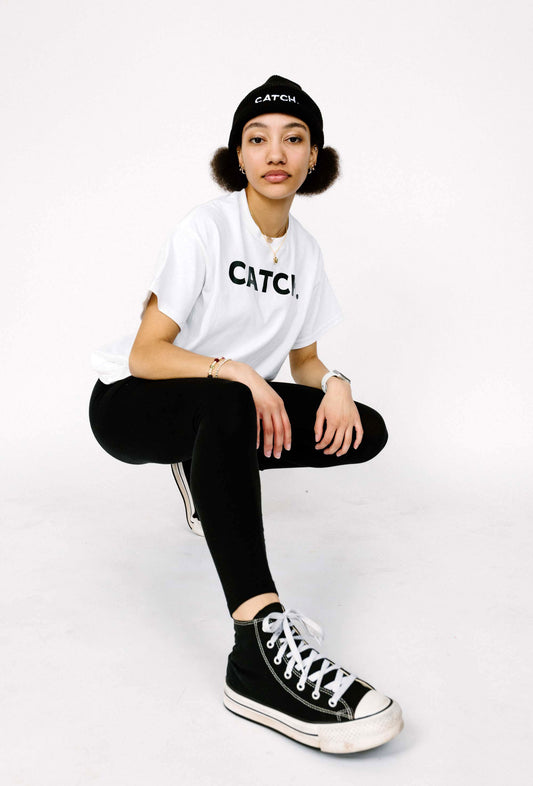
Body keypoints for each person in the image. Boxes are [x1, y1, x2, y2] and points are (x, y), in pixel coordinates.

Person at [89, 75, 403, 754]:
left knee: (364, 428)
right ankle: (255, 646)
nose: (275, 153)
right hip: (131, 402)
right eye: (257, 139)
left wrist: (336, 384)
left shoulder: (305, 251)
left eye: (293, 139)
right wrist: (234, 370)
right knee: (230, 399)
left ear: (315, 156)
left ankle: (206, 458)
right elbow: (146, 352)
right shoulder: (205, 227)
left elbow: (305, 360)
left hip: (228, 405)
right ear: (238, 155)